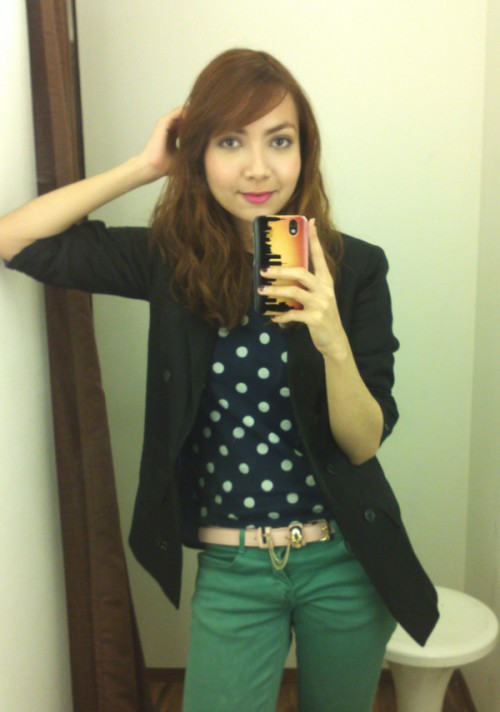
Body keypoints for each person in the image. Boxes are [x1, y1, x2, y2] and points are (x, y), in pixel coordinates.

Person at [0, 48, 438, 712]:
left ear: (304, 152)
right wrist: (145, 167)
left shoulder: (355, 269)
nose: (258, 167)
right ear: (197, 153)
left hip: (345, 560)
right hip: (234, 570)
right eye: (231, 141)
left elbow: (363, 443)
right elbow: (16, 241)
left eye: (279, 141)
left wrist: (332, 338)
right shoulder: (171, 262)